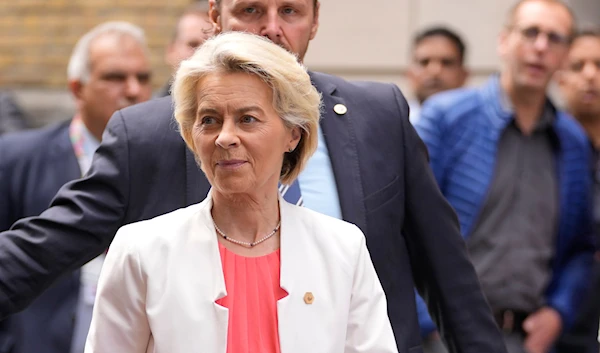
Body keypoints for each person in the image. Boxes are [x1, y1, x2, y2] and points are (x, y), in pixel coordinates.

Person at [0, 1, 507, 352]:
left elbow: (448, 275)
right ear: (215, 18)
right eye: (250, 11)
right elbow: (44, 246)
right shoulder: (149, 134)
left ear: (314, 20)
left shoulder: (378, 114)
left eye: (289, 11)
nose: (270, 28)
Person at [84, 31, 398, 353]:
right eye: (209, 120)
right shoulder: (141, 251)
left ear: (293, 134)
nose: (225, 137)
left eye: (247, 119)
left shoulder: (343, 249)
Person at [414, 1, 595, 352]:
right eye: (530, 33)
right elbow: (405, 226)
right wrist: (429, 324)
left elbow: (581, 249)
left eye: (554, 38)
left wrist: (559, 312)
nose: (540, 47)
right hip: (443, 335)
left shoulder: (573, 142)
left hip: (527, 339)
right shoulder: (447, 118)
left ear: (564, 55)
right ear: (504, 41)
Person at [0, 21, 152, 353]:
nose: (133, 90)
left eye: (142, 78)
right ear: (76, 88)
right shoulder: (16, 158)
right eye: (114, 77)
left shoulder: (164, 161)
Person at [555, 28, 600, 353]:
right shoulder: (540, 147)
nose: (590, 76)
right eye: (578, 65)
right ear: (559, 75)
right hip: (552, 322)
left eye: (599, 65)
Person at [406, 26, 468, 124]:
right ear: (409, 74)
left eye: (447, 63)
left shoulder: (481, 126)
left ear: (464, 75)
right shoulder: (393, 125)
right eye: (424, 62)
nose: (435, 71)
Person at [155, 1, 214, 97]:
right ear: (171, 51)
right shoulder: (150, 110)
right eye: (193, 45)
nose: (201, 53)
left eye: (209, 45)